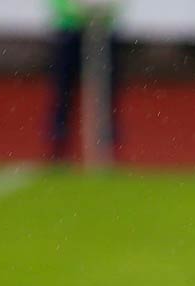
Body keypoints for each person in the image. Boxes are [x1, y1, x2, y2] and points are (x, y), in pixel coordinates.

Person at [45, 0, 122, 164]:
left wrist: (104, 10)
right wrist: (76, 11)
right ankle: (58, 148)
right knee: (63, 92)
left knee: (107, 94)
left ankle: (107, 150)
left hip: (103, 31)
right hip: (70, 30)